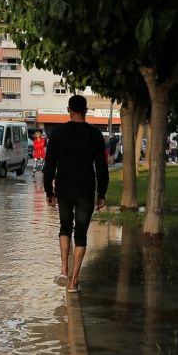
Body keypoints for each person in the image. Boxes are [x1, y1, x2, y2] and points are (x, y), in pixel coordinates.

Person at [43, 94, 109, 293]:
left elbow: (49, 165)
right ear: (86, 110)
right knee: (81, 235)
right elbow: (101, 167)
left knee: (65, 227)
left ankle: (64, 269)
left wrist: (49, 190)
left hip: (63, 188)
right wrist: (102, 193)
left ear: (69, 109)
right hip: (85, 189)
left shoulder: (57, 133)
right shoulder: (95, 135)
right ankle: (74, 282)